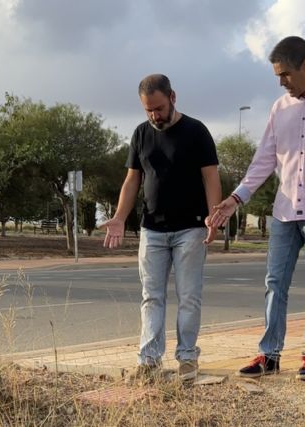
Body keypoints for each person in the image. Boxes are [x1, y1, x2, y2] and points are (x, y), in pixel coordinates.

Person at [209, 36, 305, 381]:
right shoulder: (280, 107)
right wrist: (236, 198)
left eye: (285, 74)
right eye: (278, 76)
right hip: (284, 210)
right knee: (274, 282)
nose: (281, 82)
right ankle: (269, 354)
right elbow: (264, 159)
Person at [101, 74, 221, 382]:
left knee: (189, 296)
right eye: (148, 110)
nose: (154, 115)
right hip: (152, 229)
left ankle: (187, 358)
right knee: (151, 296)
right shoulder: (141, 134)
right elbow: (132, 180)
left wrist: (214, 217)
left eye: (158, 108)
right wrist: (119, 217)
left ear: (172, 97)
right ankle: (149, 361)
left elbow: (211, 177)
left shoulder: (196, 131)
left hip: (191, 229)